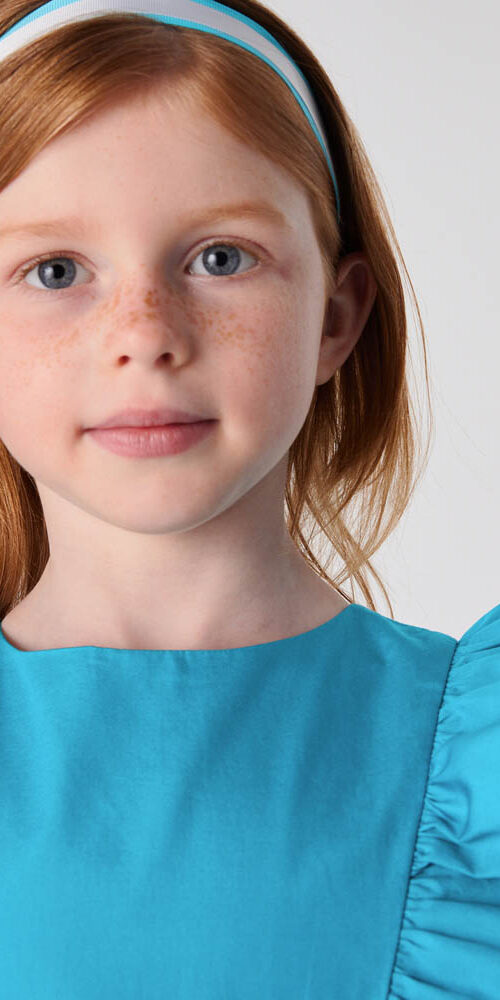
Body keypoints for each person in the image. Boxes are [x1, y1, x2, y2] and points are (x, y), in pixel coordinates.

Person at [0, 2, 497, 997]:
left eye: (220, 258)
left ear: (336, 318)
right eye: (55, 270)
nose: (145, 334)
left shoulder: (474, 765)